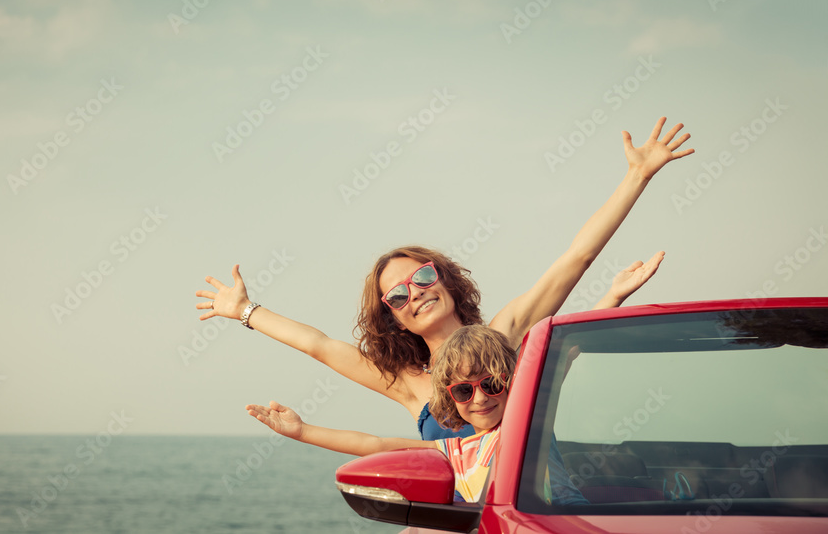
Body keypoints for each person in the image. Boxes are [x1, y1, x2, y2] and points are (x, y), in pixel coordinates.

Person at [198, 117, 691, 441]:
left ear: (449, 283)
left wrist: (637, 177)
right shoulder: (409, 383)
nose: (414, 292)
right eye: (396, 295)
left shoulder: (506, 334)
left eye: (423, 276)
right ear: (394, 321)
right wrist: (243, 310)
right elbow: (320, 346)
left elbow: (576, 258)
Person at [247, 325, 523, 503]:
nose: (481, 397)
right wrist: (303, 431)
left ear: (511, 381)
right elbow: (377, 445)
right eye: (464, 391)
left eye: (491, 384)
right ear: (452, 399)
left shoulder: (525, 432)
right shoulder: (457, 451)